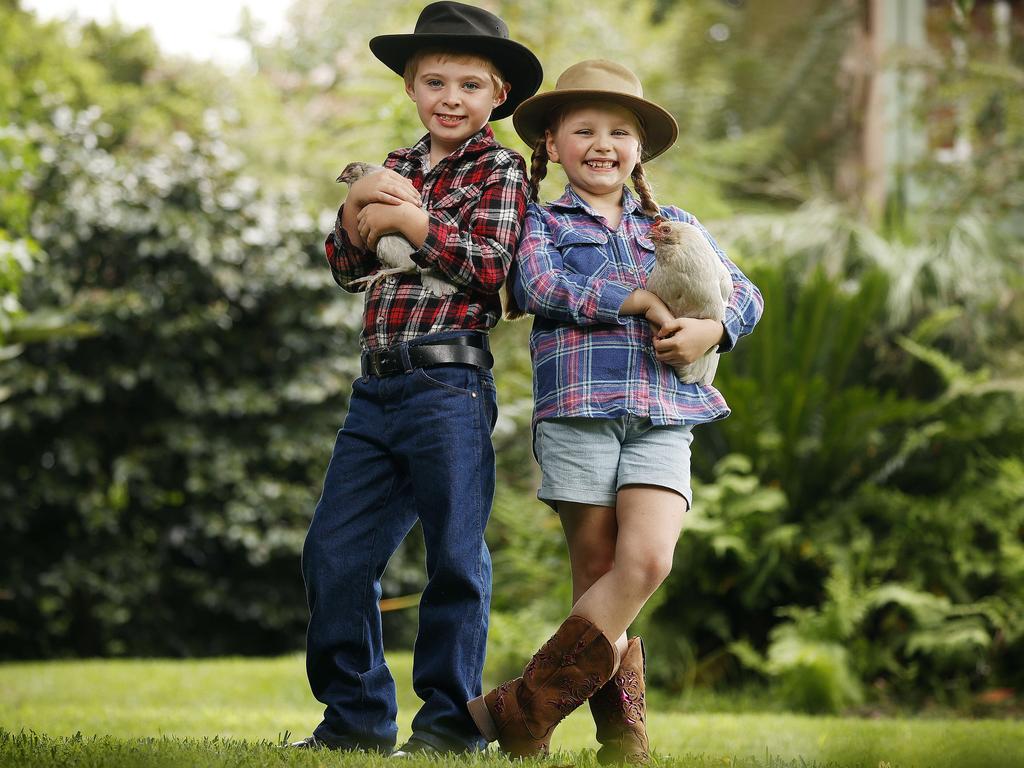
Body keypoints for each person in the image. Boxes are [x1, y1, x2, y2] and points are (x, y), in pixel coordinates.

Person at [466, 60, 764, 762]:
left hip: (665, 411)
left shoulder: (677, 224)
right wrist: (640, 299)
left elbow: (742, 292)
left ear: (639, 149)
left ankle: (518, 708)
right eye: (585, 129)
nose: (603, 142)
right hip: (580, 411)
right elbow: (542, 285)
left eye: (619, 131)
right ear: (554, 145)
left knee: (648, 562)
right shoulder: (538, 221)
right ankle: (621, 739)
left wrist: (714, 330)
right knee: (597, 573)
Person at [291, 2, 542, 756]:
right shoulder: (393, 168)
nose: (452, 97)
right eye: (435, 80)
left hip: (449, 387)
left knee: (455, 558)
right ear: (410, 87)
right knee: (333, 554)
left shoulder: (499, 169)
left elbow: (491, 268)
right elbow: (346, 265)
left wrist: (409, 225)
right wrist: (358, 207)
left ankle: (446, 727)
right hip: (377, 389)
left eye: (471, 83)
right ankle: (355, 720)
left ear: (498, 95)